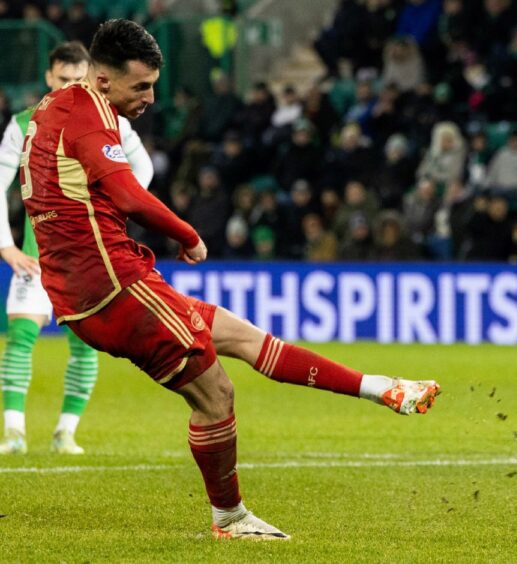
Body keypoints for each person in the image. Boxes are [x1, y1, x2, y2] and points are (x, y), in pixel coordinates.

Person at [21, 20, 440, 541]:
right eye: (141, 86)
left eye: (154, 84)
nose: (152, 97)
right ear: (103, 80)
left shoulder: (53, 107)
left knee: (243, 337)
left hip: (96, 284)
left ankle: (382, 389)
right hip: (112, 286)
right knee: (215, 395)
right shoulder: (86, 115)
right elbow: (128, 195)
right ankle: (230, 517)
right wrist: (188, 233)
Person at [0, 41, 154, 455]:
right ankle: (13, 432)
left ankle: (65, 431)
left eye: (77, 78)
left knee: (86, 342)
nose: (70, 85)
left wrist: (115, 208)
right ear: (50, 78)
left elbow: (144, 168)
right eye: (62, 78)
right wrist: (7, 246)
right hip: (38, 254)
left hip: (87, 255)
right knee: (20, 337)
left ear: (91, 77)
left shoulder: (111, 123)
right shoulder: (24, 123)